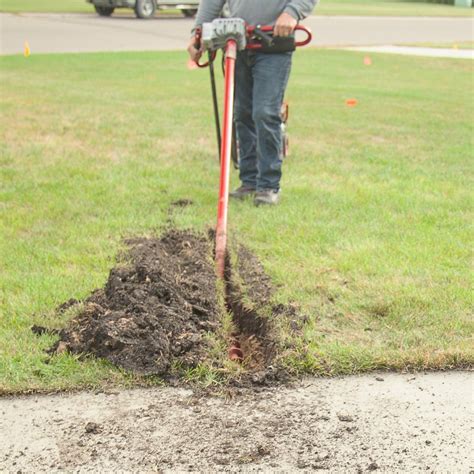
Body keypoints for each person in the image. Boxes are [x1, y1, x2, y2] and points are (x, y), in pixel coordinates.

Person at [187, 0, 317, 206]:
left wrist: (291, 13)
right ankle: (249, 182)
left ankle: (268, 185)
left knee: (265, 112)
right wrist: (198, 32)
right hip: (238, 43)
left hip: (273, 44)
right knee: (242, 113)